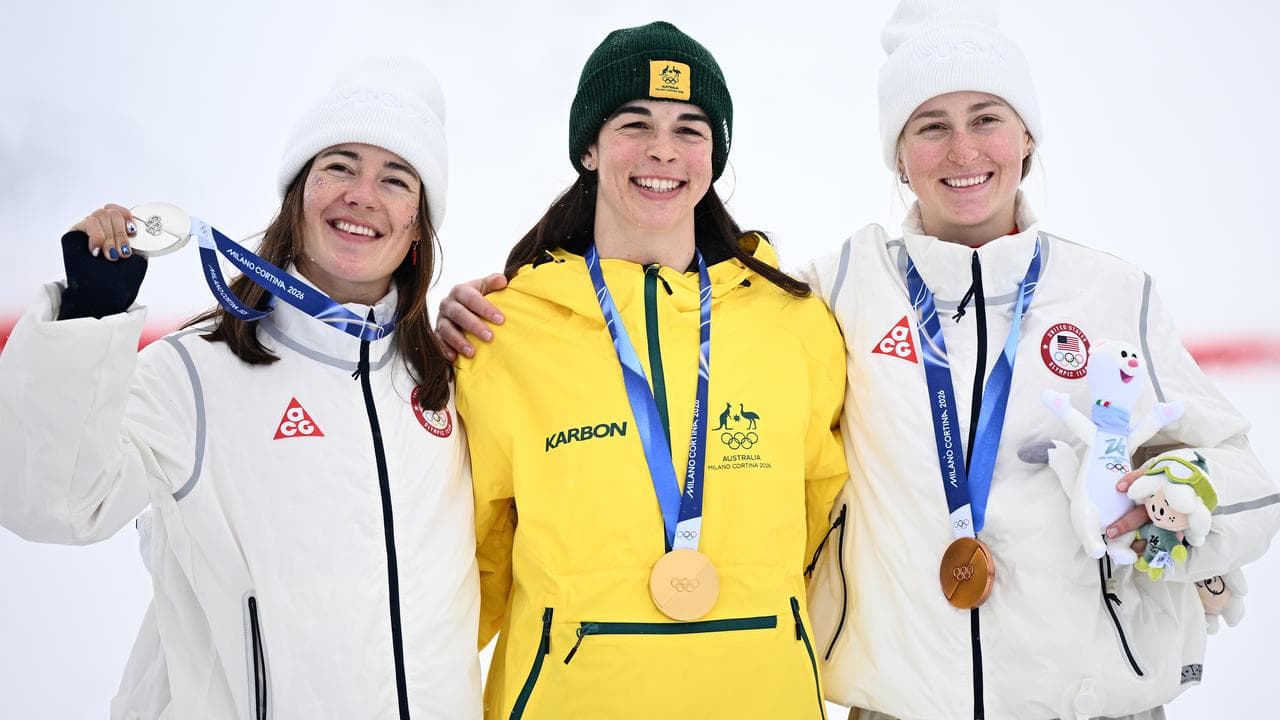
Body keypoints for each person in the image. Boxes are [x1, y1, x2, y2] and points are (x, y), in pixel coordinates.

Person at [438, 3, 1279, 719]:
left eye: (986, 118)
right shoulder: (840, 292)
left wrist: (1192, 512)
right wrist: (461, 317)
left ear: (1026, 136)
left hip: (1091, 704)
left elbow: (1240, 476)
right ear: (897, 154)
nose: (962, 151)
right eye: (930, 126)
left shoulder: (1110, 292)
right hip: (899, 704)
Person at [0, 58, 481, 719]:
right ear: (298, 195)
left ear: (419, 225)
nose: (363, 195)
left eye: (395, 179)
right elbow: (50, 502)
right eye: (339, 166)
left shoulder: (447, 383)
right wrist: (88, 314)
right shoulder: (195, 373)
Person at [451, 21, 847, 720]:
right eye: (635, 124)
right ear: (589, 148)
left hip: (763, 697)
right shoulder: (505, 331)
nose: (663, 149)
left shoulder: (797, 324)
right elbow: (470, 560)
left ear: (713, 157)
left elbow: (825, 518)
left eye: (690, 129)